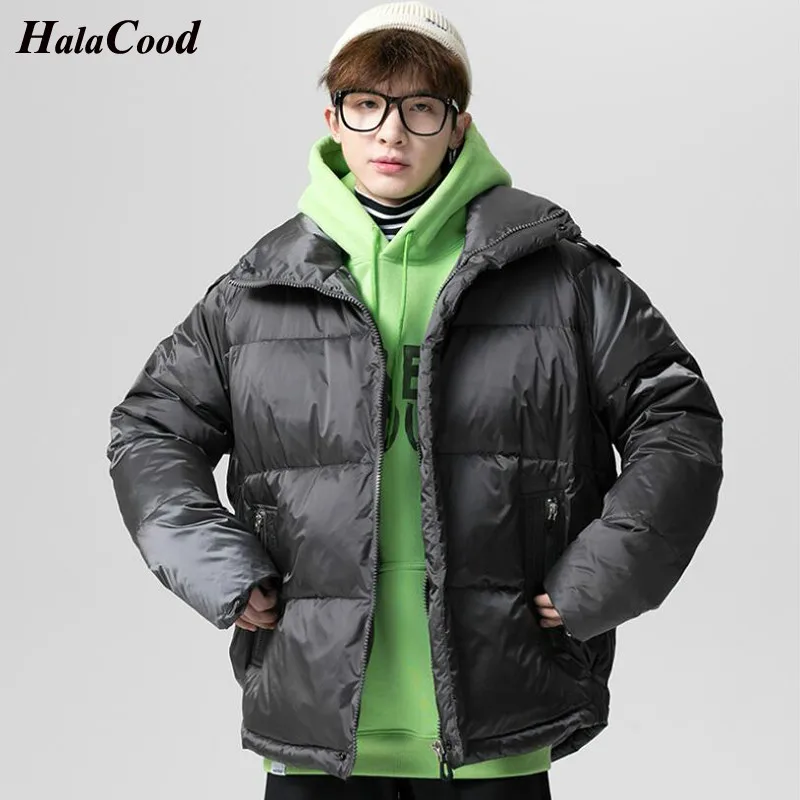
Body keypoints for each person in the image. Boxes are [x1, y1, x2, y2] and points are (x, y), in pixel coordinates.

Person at [106, 3, 724, 798]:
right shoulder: (256, 292)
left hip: (498, 719)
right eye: (368, 105)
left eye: (421, 108)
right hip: (314, 723)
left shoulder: (561, 276)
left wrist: (601, 578)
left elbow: (675, 419)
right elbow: (149, 430)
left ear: (458, 127)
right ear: (334, 121)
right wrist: (216, 566)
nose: (391, 133)